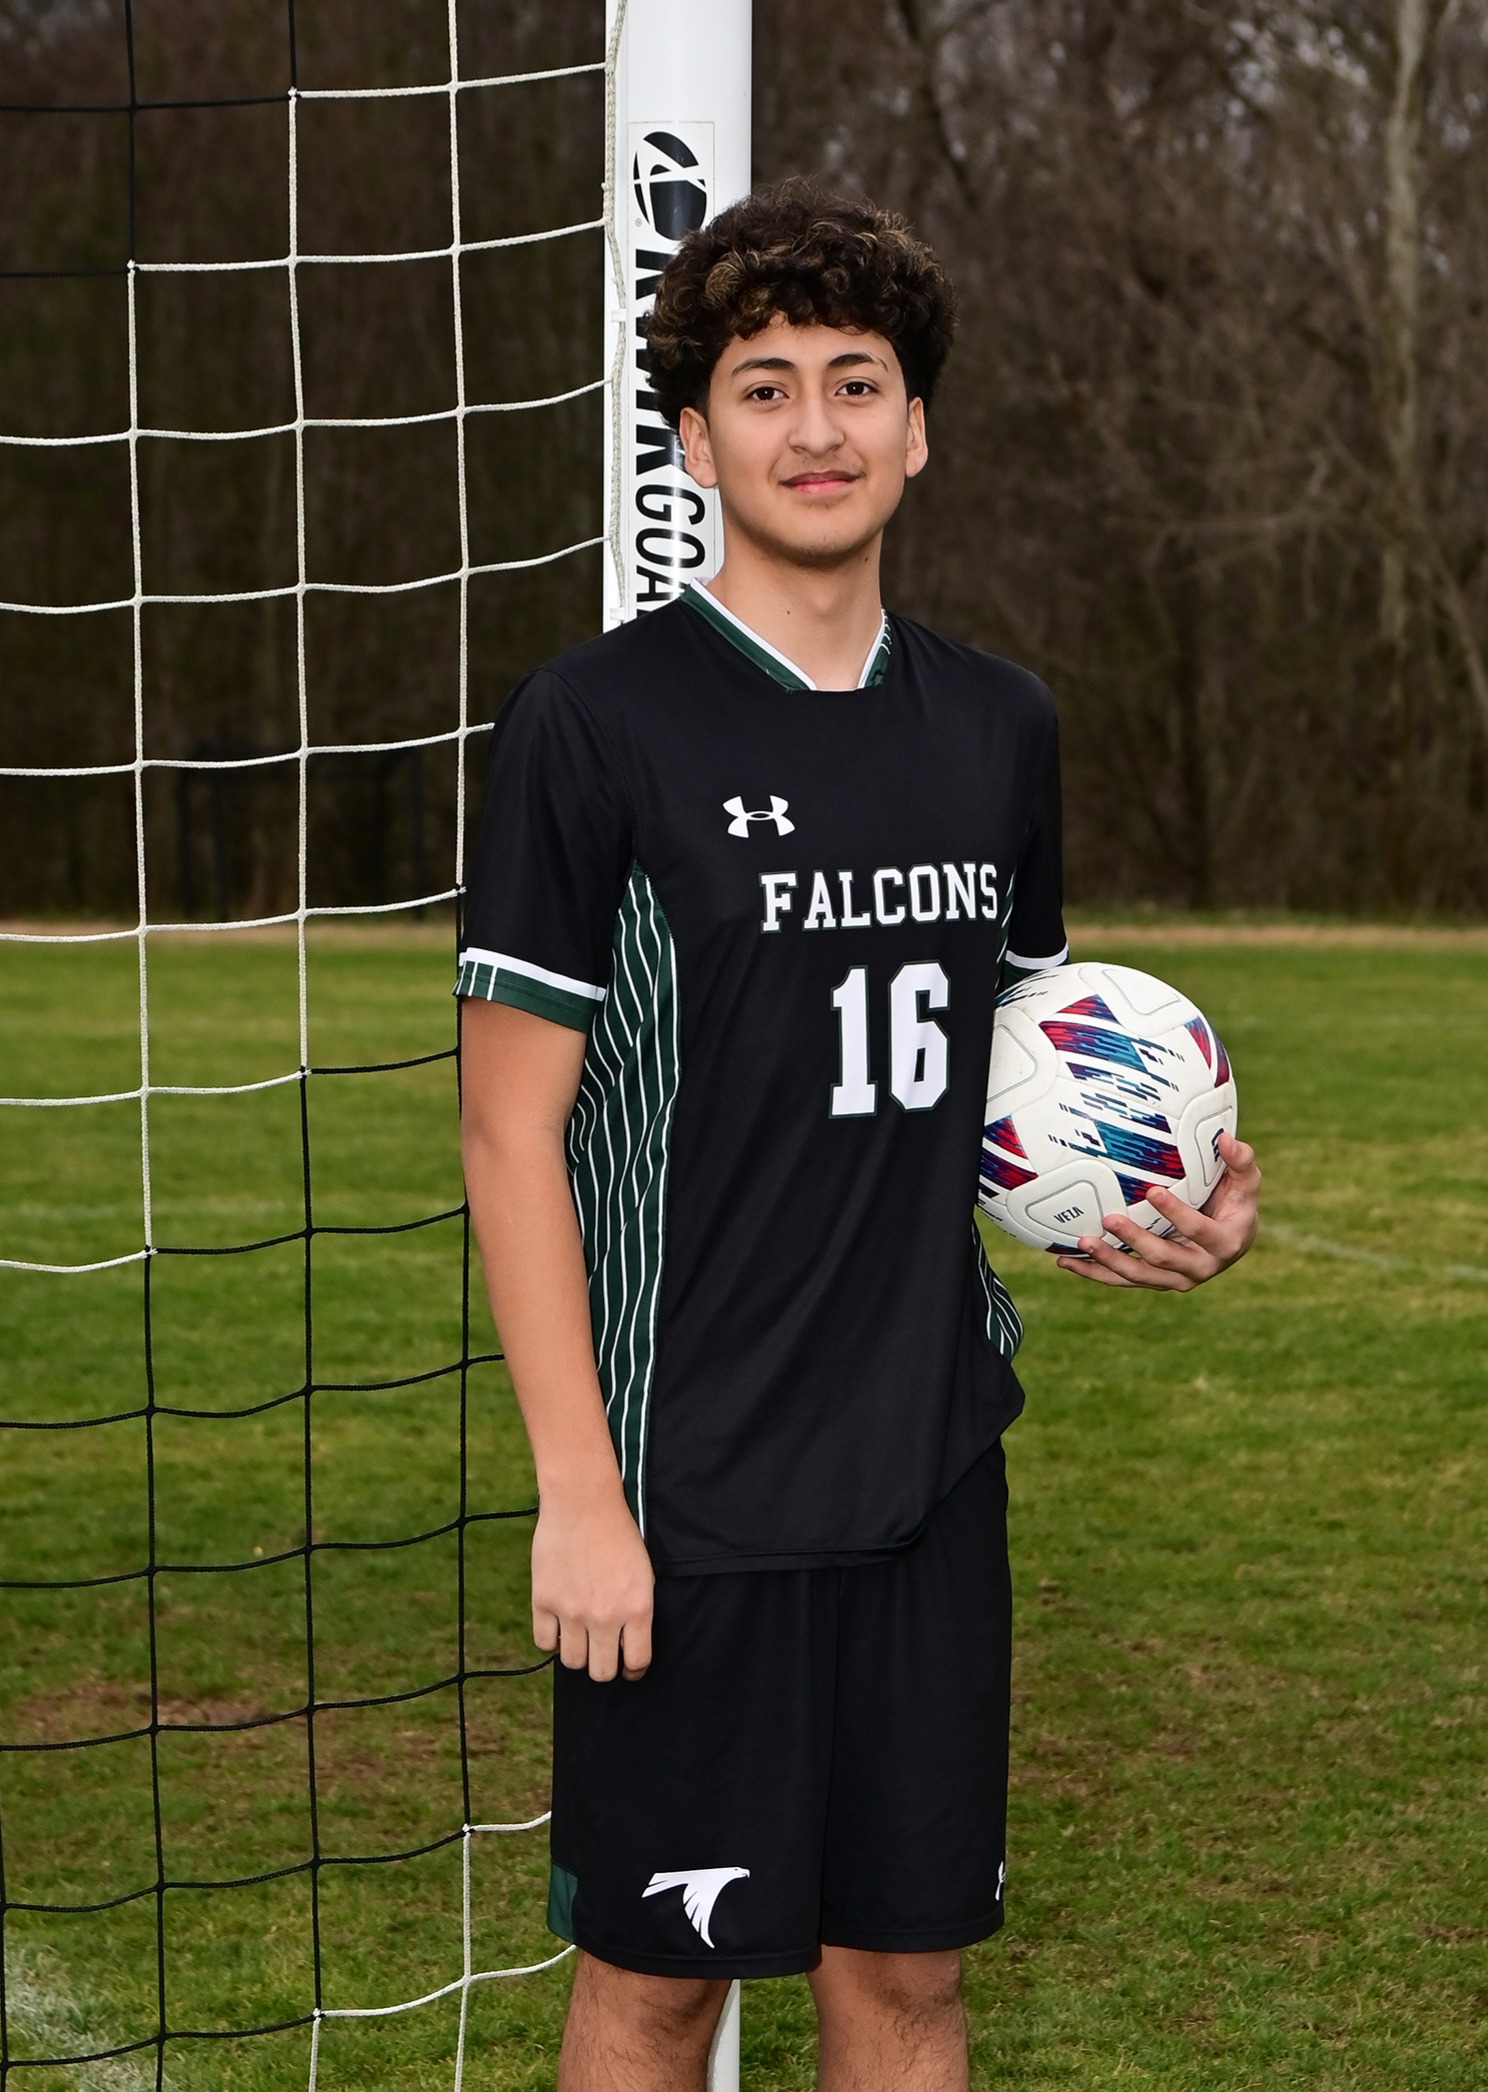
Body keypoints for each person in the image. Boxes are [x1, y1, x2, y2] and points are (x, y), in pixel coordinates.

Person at [457, 179, 1261, 2092]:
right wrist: (580, 1495)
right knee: (658, 1994)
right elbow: (506, 1132)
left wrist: (1157, 1210)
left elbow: (1025, 1077)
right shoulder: (594, 725)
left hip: (926, 1466)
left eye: (855, 382)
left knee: (906, 1990)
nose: (812, 428)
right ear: (694, 440)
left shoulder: (999, 727)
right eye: (763, 388)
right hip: (686, 1490)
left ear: (917, 430)